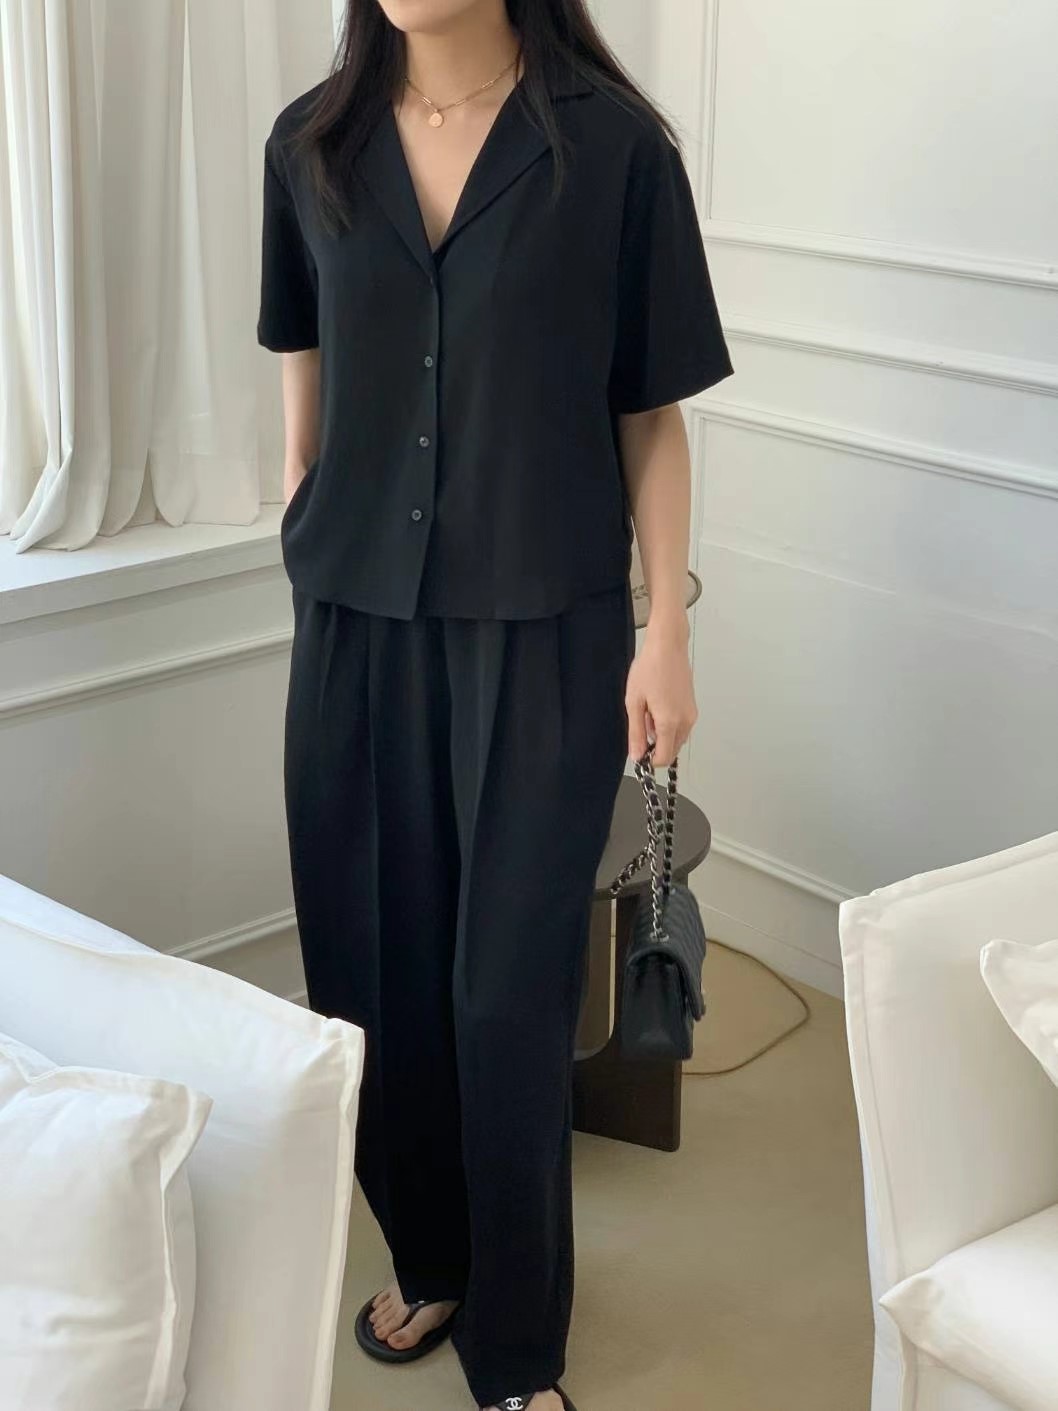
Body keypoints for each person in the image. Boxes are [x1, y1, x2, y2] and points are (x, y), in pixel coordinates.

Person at [257, 2, 733, 1407]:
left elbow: (651, 411)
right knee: (368, 967)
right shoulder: (309, 145)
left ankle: (519, 1347)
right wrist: (302, 504)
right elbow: (303, 347)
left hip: (544, 624)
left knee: (507, 991)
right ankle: (433, 1254)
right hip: (356, 614)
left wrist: (665, 636)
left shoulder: (615, 150)